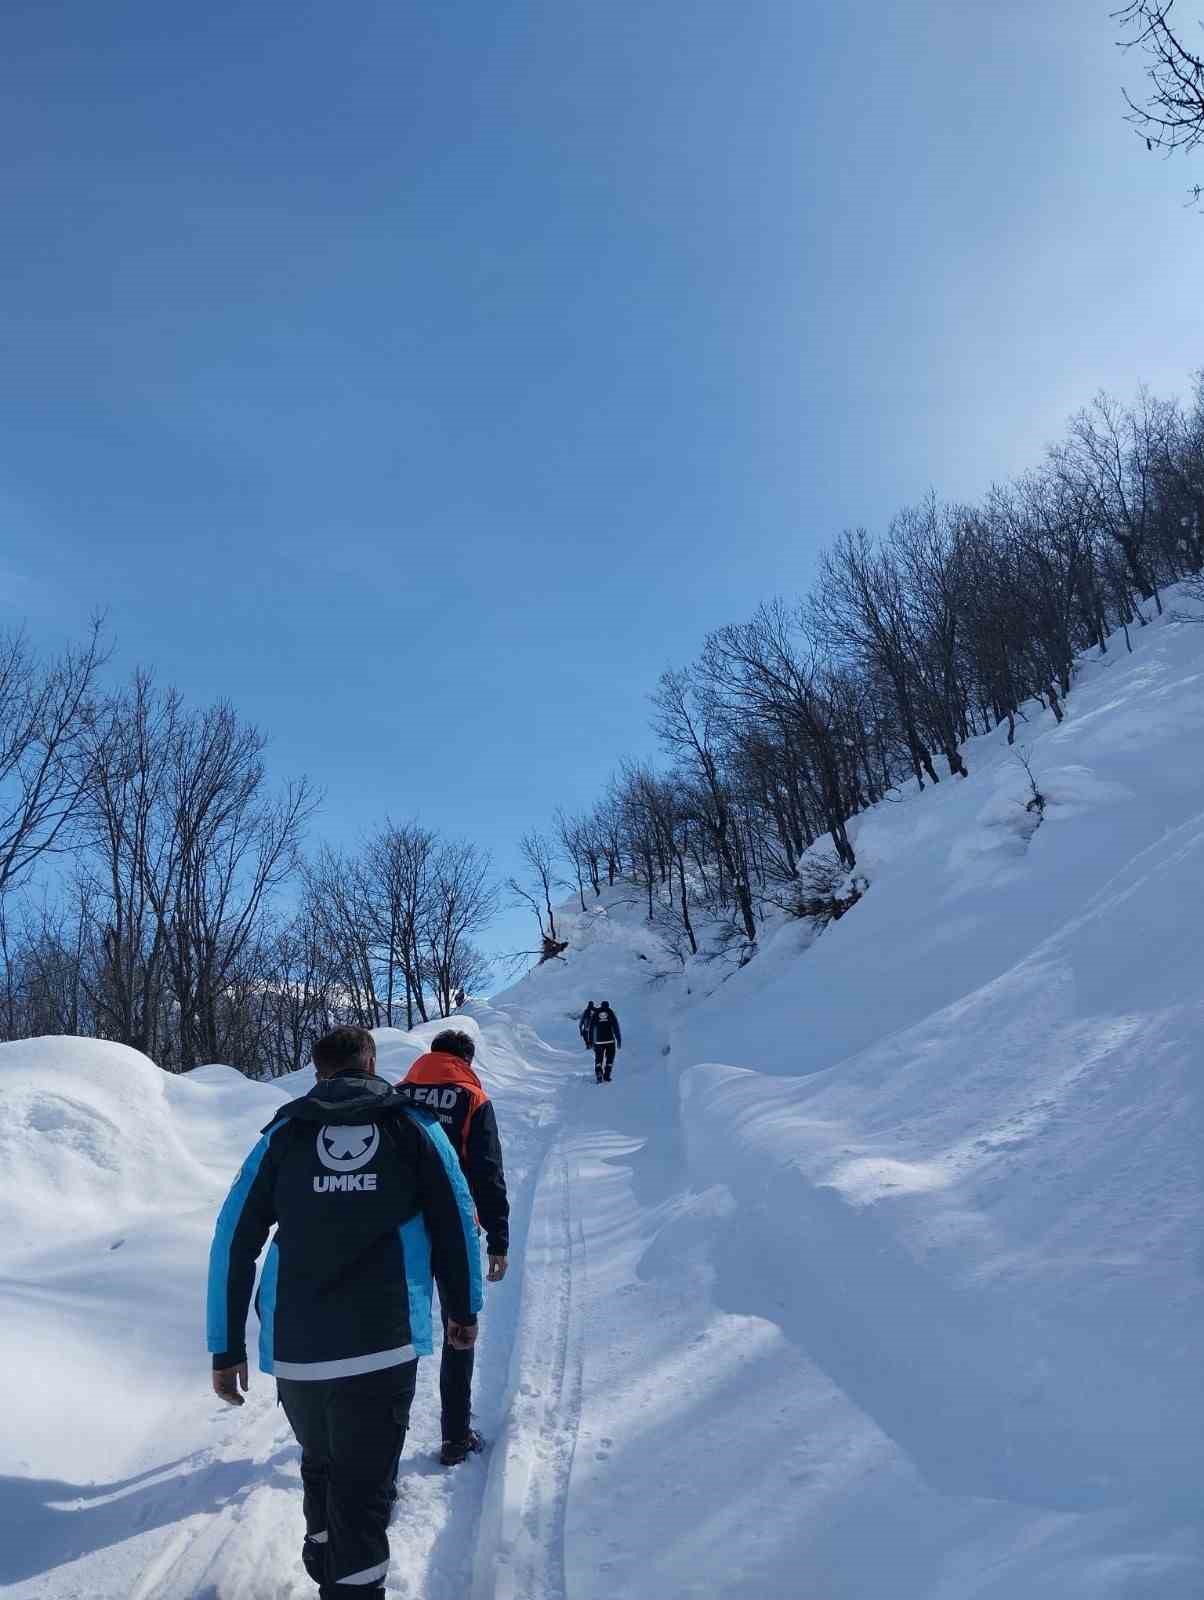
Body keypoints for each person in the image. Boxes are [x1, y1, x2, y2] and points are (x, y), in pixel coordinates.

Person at [207, 1026, 482, 1600]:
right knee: (364, 1485)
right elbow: (456, 1219)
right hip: (384, 1342)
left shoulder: (282, 1134)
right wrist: (464, 1309)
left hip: (298, 1351)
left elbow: (234, 1237)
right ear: (373, 1063)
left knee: (324, 1457)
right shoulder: (413, 1127)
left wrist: (225, 1345)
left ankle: (324, 1547)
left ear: (318, 1072)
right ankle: (347, 1578)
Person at [395, 1029, 510, 1465]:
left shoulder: (396, 1095)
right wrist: (498, 1238)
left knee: (398, 1333)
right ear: (467, 1060)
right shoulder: (473, 1100)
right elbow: (487, 1173)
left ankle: (385, 1443)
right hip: (455, 1230)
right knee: (459, 1327)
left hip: (400, 1230)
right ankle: (455, 1437)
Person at [587, 1001, 622, 1083]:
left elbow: (591, 1028)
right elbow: (616, 1026)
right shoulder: (610, 1012)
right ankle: (607, 1075)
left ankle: (599, 1073)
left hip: (599, 1041)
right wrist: (618, 1039)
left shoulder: (596, 1013)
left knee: (599, 1058)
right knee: (610, 1058)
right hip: (610, 1041)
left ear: (601, 1005)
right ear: (608, 1005)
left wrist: (590, 1041)